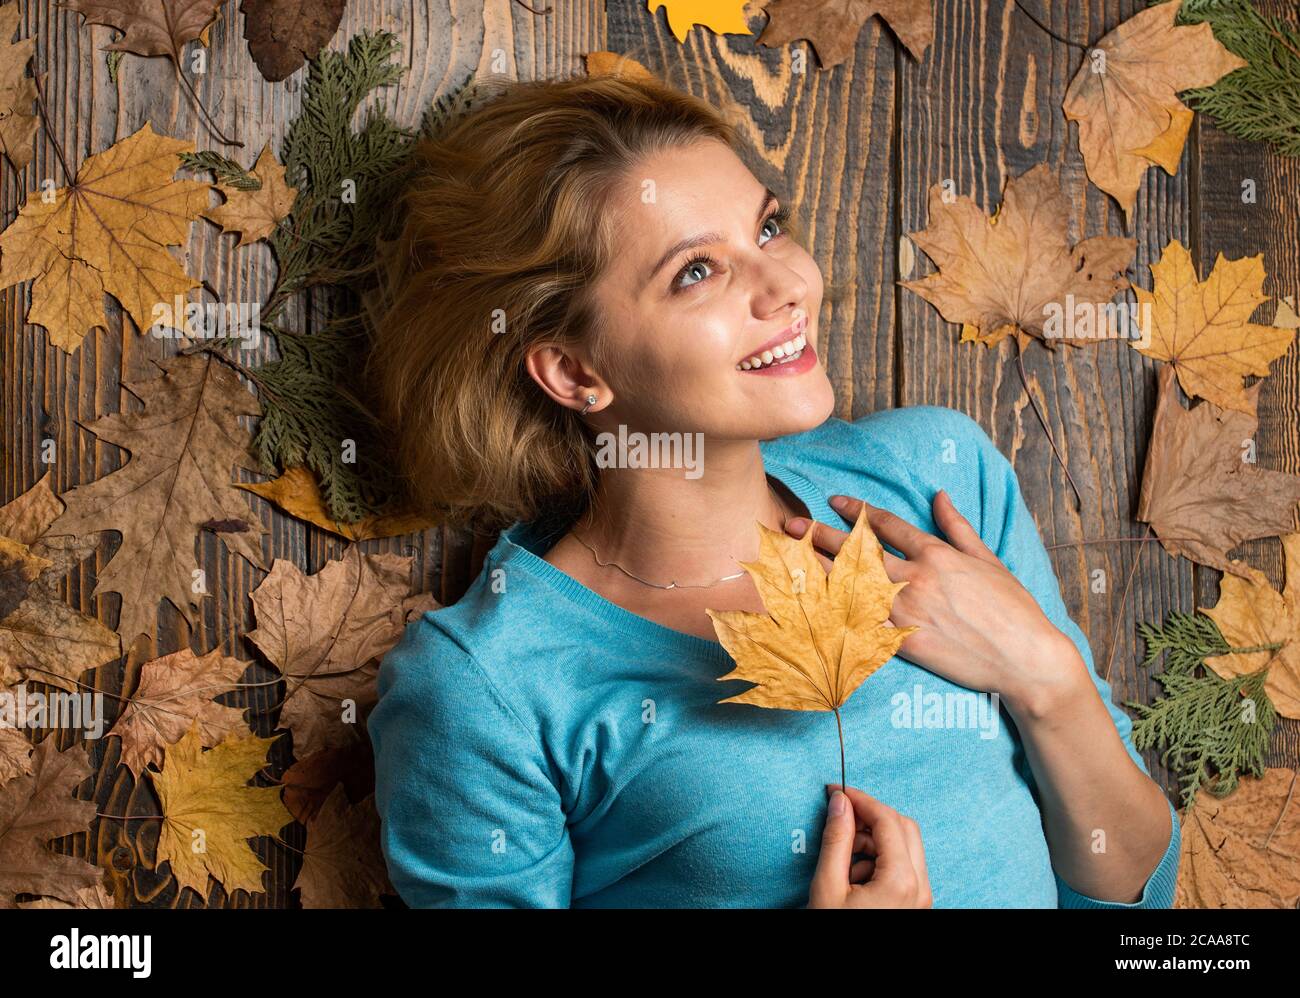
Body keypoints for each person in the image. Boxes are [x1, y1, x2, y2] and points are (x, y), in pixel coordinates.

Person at [363, 71, 1180, 908]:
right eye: (696, 272)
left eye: (768, 227)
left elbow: (1132, 893)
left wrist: (1047, 678)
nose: (788, 286)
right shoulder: (488, 689)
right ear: (575, 370)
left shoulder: (936, 473)